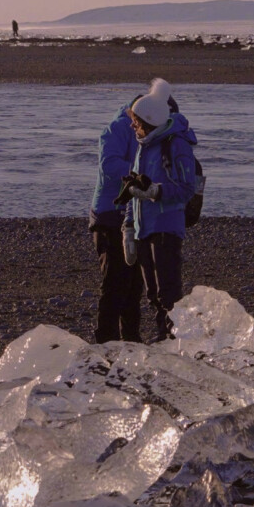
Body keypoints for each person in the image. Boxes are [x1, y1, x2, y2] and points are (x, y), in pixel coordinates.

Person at [123, 78, 198, 340]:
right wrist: (129, 227)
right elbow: (134, 190)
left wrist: (157, 192)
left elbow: (187, 187)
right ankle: (163, 335)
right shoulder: (144, 147)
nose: (133, 125)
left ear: (150, 121)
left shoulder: (175, 145)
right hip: (145, 228)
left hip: (166, 226)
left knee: (169, 293)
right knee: (153, 293)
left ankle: (174, 341)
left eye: (137, 121)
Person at [89, 97, 143, 342]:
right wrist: (141, 173)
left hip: (132, 214)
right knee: (114, 281)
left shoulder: (143, 131)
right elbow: (109, 166)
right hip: (109, 215)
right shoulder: (116, 129)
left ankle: (130, 340)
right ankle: (105, 341)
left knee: (133, 286)